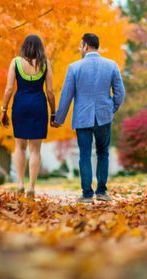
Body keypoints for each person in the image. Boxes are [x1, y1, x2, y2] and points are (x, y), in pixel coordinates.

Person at [52, 32, 125, 203]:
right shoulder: (111, 65)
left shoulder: (74, 67)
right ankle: (101, 191)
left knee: (84, 154)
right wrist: (110, 108)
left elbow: (66, 96)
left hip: (82, 117)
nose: (80, 49)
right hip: (104, 116)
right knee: (103, 152)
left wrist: (59, 119)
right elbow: (120, 93)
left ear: (85, 46)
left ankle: (86, 194)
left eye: (80, 46)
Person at [1, 34, 55, 198]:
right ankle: (31, 187)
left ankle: (20, 183)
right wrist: (53, 112)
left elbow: (9, 89)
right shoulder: (45, 64)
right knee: (35, 150)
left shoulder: (15, 62)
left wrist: (4, 109)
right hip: (39, 106)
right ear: (40, 48)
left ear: (24, 47)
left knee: (20, 147)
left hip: (20, 105)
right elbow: (50, 92)